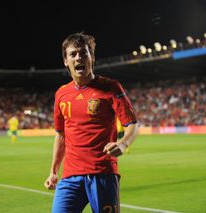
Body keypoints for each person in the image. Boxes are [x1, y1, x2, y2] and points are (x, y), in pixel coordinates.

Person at [44, 32, 139, 212]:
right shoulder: (61, 94)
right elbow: (61, 135)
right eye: (73, 54)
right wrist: (53, 171)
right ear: (66, 61)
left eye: (83, 53)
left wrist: (124, 144)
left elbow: (133, 124)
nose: (78, 57)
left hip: (102, 173)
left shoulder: (111, 87)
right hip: (70, 177)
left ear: (91, 57)